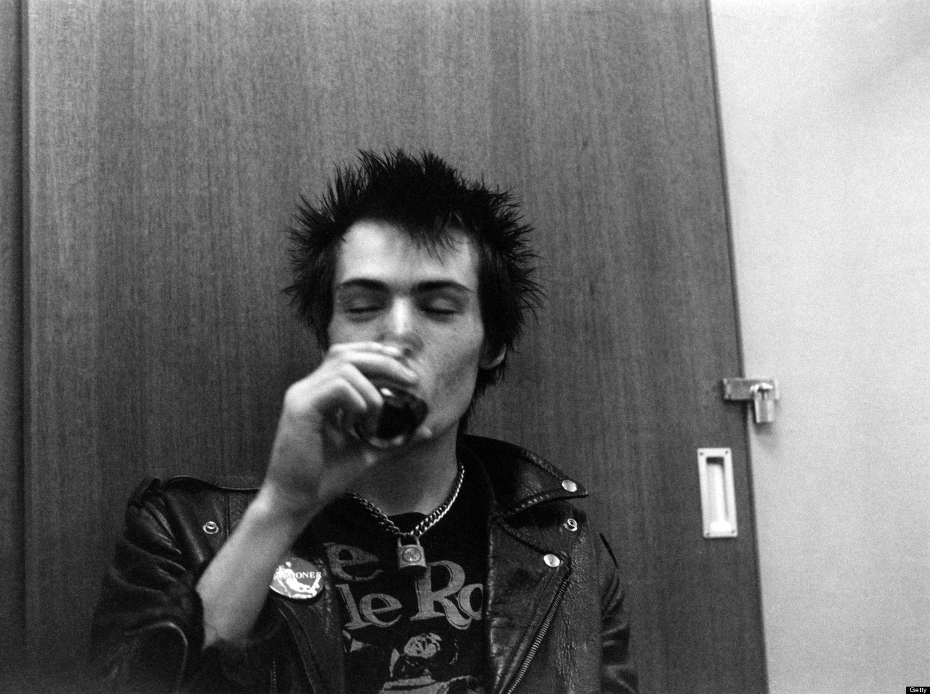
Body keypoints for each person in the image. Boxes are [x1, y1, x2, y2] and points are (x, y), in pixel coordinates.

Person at [90, 150, 638, 693]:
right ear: (328, 333)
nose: (397, 334)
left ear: (491, 343)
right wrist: (281, 510)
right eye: (362, 307)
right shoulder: (183, 528)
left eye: (439, 308)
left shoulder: (564, 550)